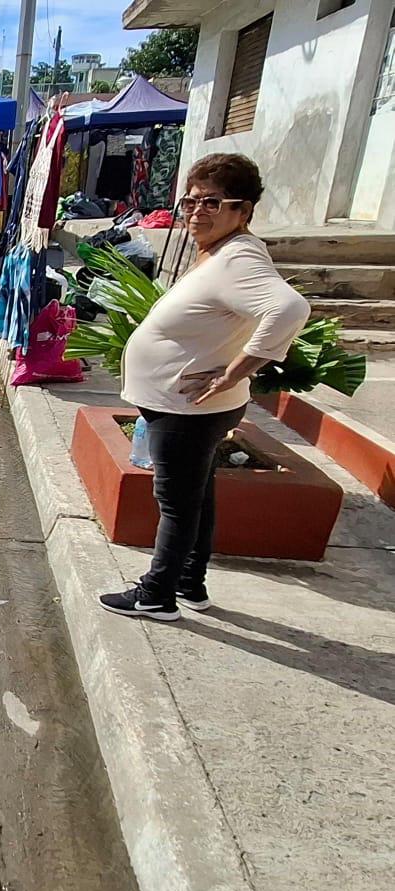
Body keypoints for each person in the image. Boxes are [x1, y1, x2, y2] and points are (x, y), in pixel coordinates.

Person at [100, 153, 309, 622]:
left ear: (243, 210)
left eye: (212, 203)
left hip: (188, 411)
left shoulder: (238, 258)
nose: (197, 212)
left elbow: (289, 309)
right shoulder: (224, 251)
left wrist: (235, 371)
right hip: (189, 408)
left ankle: (156, 595)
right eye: (190, 201)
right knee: (197, 496)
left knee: (176, 504)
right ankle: (189, 583)